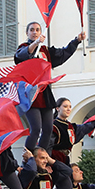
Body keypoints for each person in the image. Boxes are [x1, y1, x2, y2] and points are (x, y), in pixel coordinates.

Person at [14, 22, 84, 151]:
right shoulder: (23, 47)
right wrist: (35, 44)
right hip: (31, 93)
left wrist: (77, 41)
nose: (35, 32)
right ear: (27, 33)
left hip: (44, 93)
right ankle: (27, 155)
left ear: (41, 32)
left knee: (48, 128)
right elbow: (21, 55)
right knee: (35, 128)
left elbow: (63, 54)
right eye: (32, 30)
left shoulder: (45, 50)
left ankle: (41, 155)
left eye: (37, 30)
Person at [50, 99, 95, 165]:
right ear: (57, 108)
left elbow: (84, 128)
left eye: (70, 107)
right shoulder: (53, 126)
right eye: (65, 106)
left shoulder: (70, 126)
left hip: (65, 159)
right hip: (54, 159)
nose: (68, 109)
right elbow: (47, 145)